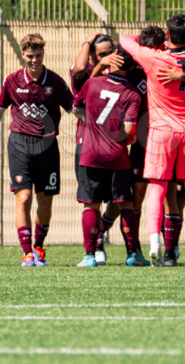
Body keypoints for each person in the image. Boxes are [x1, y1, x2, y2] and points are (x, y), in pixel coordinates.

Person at [119, 15, 185, 267]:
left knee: (157, 188)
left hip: (160, 131)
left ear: (168, 36)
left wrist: (154, 43)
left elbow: (124, 39)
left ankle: (155, 243)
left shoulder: (153, 57)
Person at [0, 34, 74, 267]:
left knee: (45, 201)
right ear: (22, 54)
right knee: (23, 198)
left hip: (48, 146)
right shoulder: (13, 81)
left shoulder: (55, 81)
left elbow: (75, 109)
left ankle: (39, 247)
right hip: (20, 145)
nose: (35, 60)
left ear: (44, 54)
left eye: (39, 55)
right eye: (30, 56)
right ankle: (26, 253)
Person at [72, 48, 143, 267]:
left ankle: (89, 256)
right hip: (118, 156)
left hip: (90, 154)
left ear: (111, 63)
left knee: (90, 205)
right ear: (130, 69)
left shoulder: (92, 83)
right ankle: (133, 254)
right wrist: (129, 138)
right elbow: (130, 129)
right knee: (126, 203)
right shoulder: (132, 94)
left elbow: (76, 109)